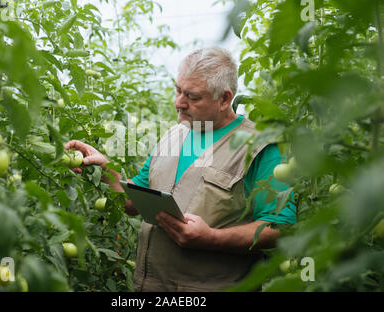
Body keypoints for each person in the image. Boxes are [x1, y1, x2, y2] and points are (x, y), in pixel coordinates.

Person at [65, 47, 296, 292]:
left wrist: (212, 240)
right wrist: (105, 170)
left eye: (193, 97)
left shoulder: (260, 148)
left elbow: (278, 228)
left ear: (224, 99)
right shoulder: (175, 135)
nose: (179, 103)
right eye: (178, 90)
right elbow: (135, 202)